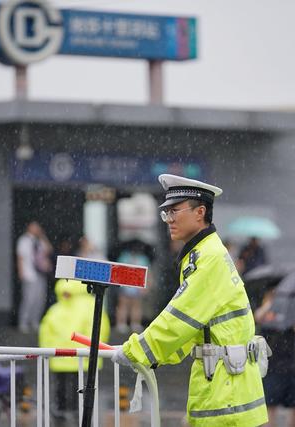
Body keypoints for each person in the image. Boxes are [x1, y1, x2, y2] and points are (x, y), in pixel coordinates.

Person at [112, 174, 269, 426]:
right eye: (166, 214)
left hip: (226, 396)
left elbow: (180, 318)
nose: (169, 220)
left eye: (175, 211)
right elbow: (189, 327)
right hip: (226, 390)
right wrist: (153, 354)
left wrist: (137, 350)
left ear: (200, 212)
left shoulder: (208, 258)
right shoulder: (204, 253)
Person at [39, 279, 110, 419]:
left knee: (73, 392)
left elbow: (45, 331)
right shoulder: (89, 305)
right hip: (76, 358)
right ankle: (75, 417)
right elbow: (46, 331)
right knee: (75, 393)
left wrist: (49, 349)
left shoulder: (58, 308)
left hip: (75, 358)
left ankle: (71, 417)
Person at [255, 287, 295, 427]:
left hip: (290, 366)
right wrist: (270, 303)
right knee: (270, 406)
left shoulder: (290, 313)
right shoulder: (266, 313)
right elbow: (257, 317)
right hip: (272, 367)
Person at [16, 221, 53, 333]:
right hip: (29, 274)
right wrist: (21, 271)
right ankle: (23, 322)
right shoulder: (24, 240)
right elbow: (20, 257)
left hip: (40, 274)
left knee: (39, 299)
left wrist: (43, 237)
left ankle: (35, 321)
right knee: (29, 299)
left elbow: (49, 250)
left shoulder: (40, 241)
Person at [115, 241, 152, 333]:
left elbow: (148, 273)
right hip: (126, 285)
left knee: (136, 306)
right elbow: (119, 270)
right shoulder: (124, 256)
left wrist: (147, 286)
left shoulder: (142, 259)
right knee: (124, 305)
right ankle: (121, 323)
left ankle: (134, 323)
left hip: (137, 286)